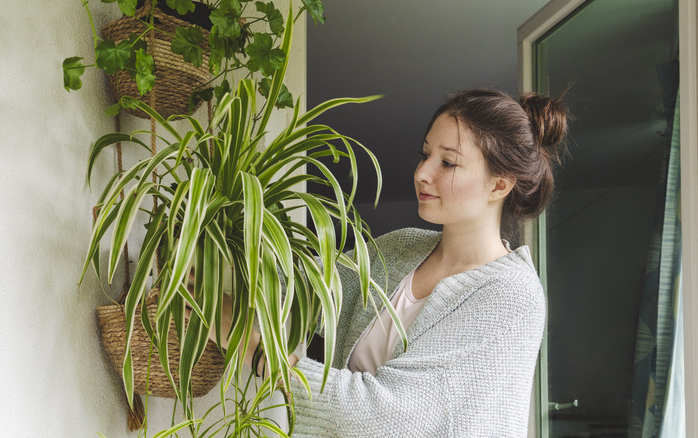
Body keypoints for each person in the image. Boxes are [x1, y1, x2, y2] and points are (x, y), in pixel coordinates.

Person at [221, 88, 568, 437]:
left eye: (448, 162)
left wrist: (252, 348)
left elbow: (387, 418)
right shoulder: (400, 248)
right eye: (425, 154)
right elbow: (294, 290)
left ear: (500, 185)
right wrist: (216, 241)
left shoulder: (511, 296)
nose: (422, 172)